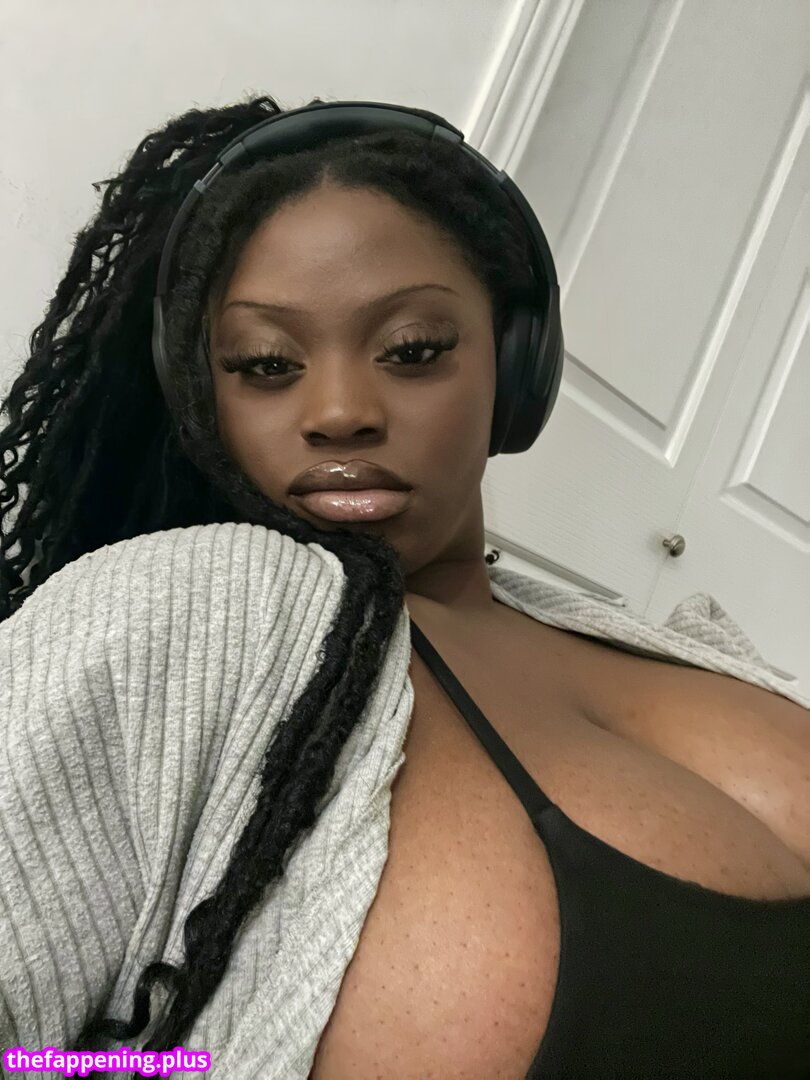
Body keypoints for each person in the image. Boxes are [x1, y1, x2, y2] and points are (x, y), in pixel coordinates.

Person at [0, 93, 808, 1080]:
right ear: (204, 404)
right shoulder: (192, 609)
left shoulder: (684, 645)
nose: (340, 411)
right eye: (266, 364)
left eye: (413, 350)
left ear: (518, 364)